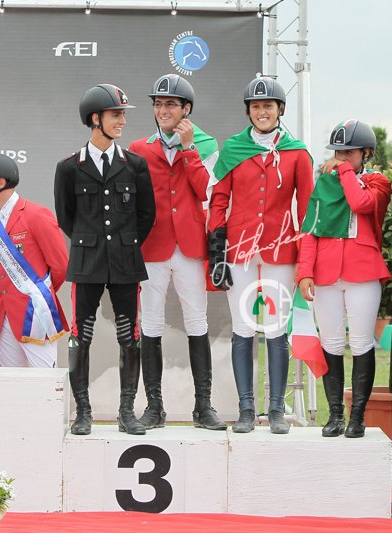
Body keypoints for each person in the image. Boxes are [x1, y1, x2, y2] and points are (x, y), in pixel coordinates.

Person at [208, 76, 314, 434]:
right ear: (249, 111)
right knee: (242, 329)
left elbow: (307, 210)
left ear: (279, 109)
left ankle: (277, 409)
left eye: (268, 105)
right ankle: (246, 410)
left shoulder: (297, 153)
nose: (262, 112)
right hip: (239, 251)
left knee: (276, 329)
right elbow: (219, 201)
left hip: (280, 251)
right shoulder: (233, 148)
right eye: (256, 106)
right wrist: (217, 252)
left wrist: (305, 261)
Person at [54, 83, 155, 436]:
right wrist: (92, 243)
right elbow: (66, 217)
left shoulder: (135, 165)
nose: (122, 121)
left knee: (129, 336)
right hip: (86, 262)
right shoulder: (69, 167)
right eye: (116, 114)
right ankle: (83, 413)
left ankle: (126, 412)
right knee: (81, 336)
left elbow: (146, 215)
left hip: (126, 262)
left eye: (123, 114)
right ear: (95, 118)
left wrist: (124, 245)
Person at [129, 74, 226, 431]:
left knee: (197, 322)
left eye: (170, 104)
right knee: (150, 324)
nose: (163, 110)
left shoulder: (207, 144)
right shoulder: (139, 148)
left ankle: (203, 406)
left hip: (189, 246)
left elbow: (207, 192)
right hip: (152, 245)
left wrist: (188, 150)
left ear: (186, 109)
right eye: (158, 104)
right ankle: (154, 407)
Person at [297, 120, 391, 438]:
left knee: (362, 343)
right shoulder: (324, 183)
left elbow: (360, 203)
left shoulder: (378, 182)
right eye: (338, 151)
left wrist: (345, 171)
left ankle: (358, 417)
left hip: (363, 271)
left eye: (349, 152)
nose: (341, 157)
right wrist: (305, 272)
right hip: (325, 273)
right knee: (332, 344)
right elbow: (310, 229)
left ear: (366, 153)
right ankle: (335, 415)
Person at [0, 153, 69, 368]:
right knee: (9, 383)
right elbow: (1, 273)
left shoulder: (36, 214)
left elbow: (60, 266)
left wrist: (38, 296)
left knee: (44, 381)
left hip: (35, 315)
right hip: (2, 317)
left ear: (0, 183)